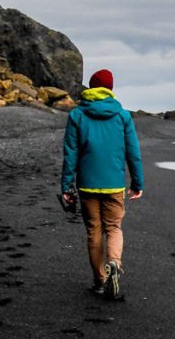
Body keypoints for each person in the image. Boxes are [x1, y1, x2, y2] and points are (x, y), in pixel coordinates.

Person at [61, 69, 144, 299]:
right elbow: (133, 152)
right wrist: (138, 182)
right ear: (110, 89)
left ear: (91, 87)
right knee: (114, 227)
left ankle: (99, 281)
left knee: (94, 232)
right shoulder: (122, 116)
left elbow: (70, 154)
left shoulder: (77, 115)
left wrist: (66, 185)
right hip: (114, 184)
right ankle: (115, 264)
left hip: (87, 184)